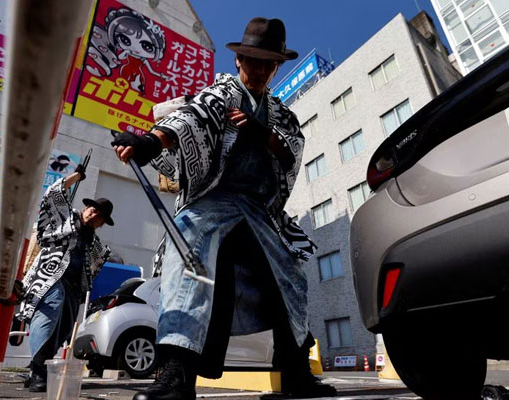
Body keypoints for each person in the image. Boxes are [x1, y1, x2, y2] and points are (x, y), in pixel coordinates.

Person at [112, 17, 337, 400]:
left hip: (259, 212)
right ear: (238, 61)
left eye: (269, 63)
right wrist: (151, 142)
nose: (261, 69)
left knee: (290, 278)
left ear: (277, 66)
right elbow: (191, 119)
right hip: (212, 202)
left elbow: (292, 149)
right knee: (189, 256)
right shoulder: (220, 94)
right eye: (253, 60)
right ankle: (176, 375)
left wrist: (261, 133)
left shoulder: (282, 114)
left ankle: (297, 373)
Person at [18, 164, 114, 392]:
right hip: (50, 278)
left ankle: (36, 371)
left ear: (102, 223)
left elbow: (95, 267)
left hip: (73, 286)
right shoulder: (65, 220)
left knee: (63, 328)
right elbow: (52, 194)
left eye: (99, 215)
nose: (93, 214)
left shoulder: (97, 245)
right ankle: (39, 371)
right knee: (49, 313)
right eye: (92, 209)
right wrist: (76, 176)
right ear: (86, 208)